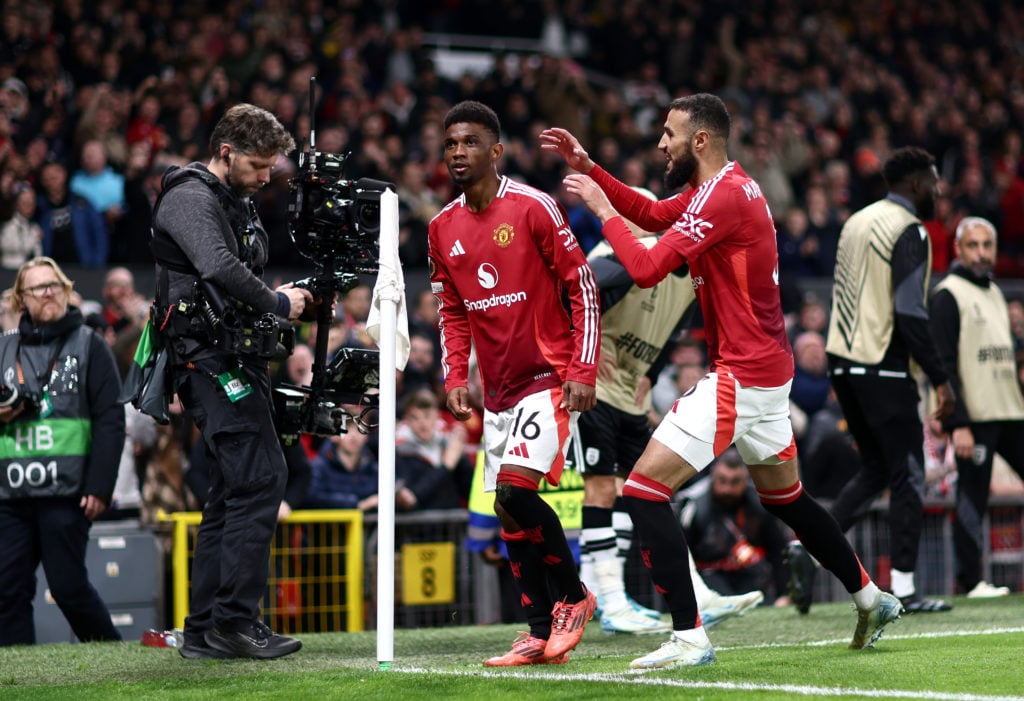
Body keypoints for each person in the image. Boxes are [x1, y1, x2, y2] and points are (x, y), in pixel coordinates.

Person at [540, 93, 901, 671]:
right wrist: (590, 169)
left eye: (669, 134)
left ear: (699, 141)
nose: (661, 143)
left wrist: (603, 211)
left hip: (742, 374)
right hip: (769, 372)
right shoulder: (724, 189)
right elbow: (655, 216)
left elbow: (647, 267)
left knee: (641, 491)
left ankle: (689, 636)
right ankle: (869, 595)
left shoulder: (723, 197)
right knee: (787, 498)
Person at [428, 100, 600, 667]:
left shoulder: (535, 208)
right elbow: (451, 311)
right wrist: (456, 375)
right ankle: (534, 631)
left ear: (496, 152)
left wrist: (582, 369)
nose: (458, 152)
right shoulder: (441, 229)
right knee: (507, 511)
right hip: (496, 391)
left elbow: (584, 289)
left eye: (470, 142)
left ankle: (573, 597)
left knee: (516, 491)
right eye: (451, 143)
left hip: (547, 377)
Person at [149, 103, 313, 660]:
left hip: (231, 358)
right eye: (260, 165)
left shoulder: (233, 198)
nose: (268, 176)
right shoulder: (190, 195)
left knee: (230, 491)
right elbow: (218, 265)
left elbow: (231, 271)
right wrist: (276, 302)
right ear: (227, 153)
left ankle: (205, 630)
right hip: (208, 361)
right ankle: (235, 624)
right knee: (262, 478)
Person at [578, 188, 761, 635]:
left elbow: (676, 328)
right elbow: (578, 290)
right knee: (603, 490)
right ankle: (611, 601)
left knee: (649, 493)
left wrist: (651, 370)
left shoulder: (689, 277)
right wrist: (584, 349)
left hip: (630, 398)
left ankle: (692, 594)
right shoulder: (622, 258)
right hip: (595, 393)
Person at [817, 146, 957, 614]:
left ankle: (809, 547)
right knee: (907, 474)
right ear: (917, 184)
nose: (938, 191)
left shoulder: (856, 220)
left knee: (876, 468)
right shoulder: (910, 228)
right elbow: (910, 311)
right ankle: (906, 585)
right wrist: (941, 378)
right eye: (934, 181)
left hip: (842, 361)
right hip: (884, 363)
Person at [0, 257, 125, 646]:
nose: (49, 292)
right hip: (11, 493)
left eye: (54, 284)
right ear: (22, 298)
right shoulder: (3, 348)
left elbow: (110, 418)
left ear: (67, 290)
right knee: (7, 590)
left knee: (68, 585)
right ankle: (17, 676)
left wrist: (100, 486)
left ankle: (113, 656)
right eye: (38, 288)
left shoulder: (90, 345)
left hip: (67, 491)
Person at [929, 216, 1024, 598]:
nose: (982, 253)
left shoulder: (996, 292)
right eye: (973, 245)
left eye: (988, 245)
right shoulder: (948, 294)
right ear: (957, 249)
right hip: (976, 415)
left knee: (976, 496)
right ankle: (971, 582)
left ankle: (972, 579)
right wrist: (959, 423)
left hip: (1010, 410)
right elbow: (943, 365)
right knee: (972, 496)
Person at [680, 450, 791, 604]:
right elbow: (682, 554)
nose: (727, 489)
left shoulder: (760, 506)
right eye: (722, 481)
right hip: (710, 579)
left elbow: (778, 549)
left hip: (752, 577)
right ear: (713, 477)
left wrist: (783, 594)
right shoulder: (694, 507)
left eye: (735, 482)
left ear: (746, 480)